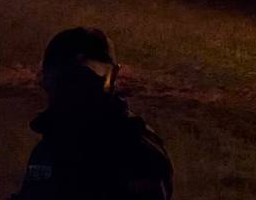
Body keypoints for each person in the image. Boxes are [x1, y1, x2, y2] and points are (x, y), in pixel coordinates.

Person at [13, 28, 173, 200]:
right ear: (46, 80)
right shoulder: (50, 144)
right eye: (65, 78)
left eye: (87, 77)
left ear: (113, 78)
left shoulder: (136, 149)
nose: (75, 89)